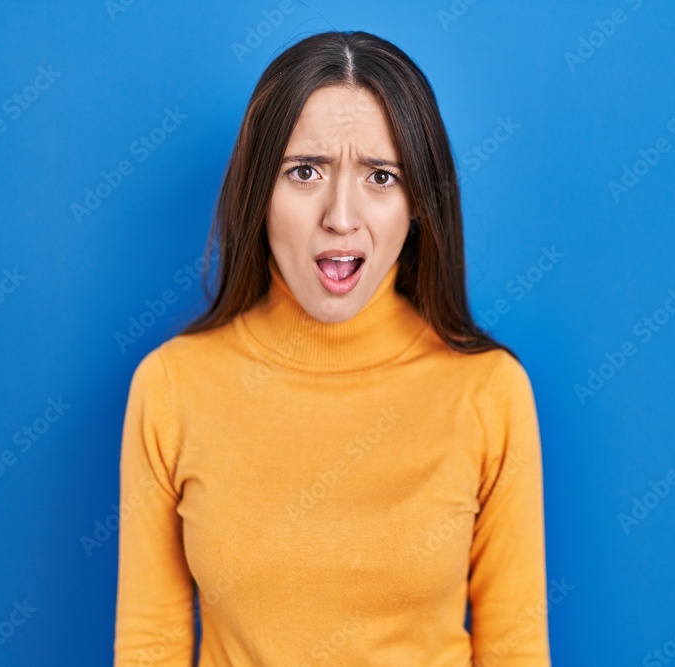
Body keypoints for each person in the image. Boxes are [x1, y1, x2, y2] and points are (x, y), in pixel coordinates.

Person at [113, 30, 551, 666]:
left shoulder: (489, 391)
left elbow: (515, 650)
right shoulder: (171, 387)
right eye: (305, 171)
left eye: (381, 175)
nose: (341, 215)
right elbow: (150, 647)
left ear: (418, 206)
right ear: (258, 192)